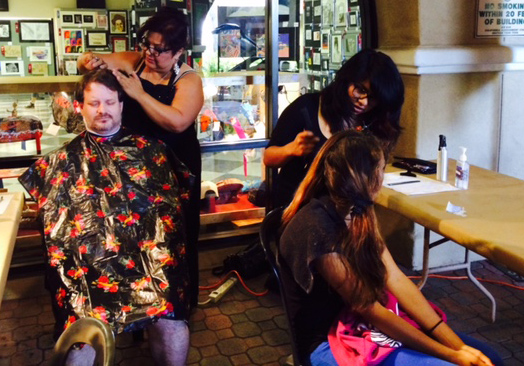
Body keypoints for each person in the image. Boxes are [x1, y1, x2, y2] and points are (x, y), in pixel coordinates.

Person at [278, 130, 503, 366]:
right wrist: (450, 354)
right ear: (364, 178)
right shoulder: (317, 229)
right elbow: (369, 308)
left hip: (361, 326)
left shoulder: (357, 211)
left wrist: (457, 345)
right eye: (381, 170)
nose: (383, 179)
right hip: (328, 342)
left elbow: (394, 277)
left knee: (491, 358)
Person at [18, 69, 193, 366]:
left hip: (149, 262)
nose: (103, 110)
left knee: (170, 313)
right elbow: (53, 232)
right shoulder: (58, 162)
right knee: (80, 323)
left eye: (110, 102)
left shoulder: (153, 152)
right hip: (88, 272)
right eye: (94, 103)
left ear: (121, 105)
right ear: (80, 107)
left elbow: (174, 214)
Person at [77, 6, 204, 306]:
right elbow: (86, 60)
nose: (150, 53)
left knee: (176, 236)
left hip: (175, 169)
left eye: (160, 50)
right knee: (135, 235)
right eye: (148, 44)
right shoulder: (135, 61)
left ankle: (179, 303)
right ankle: (139, 301)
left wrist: (138, 93)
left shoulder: (188, 80)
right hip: (134, 168)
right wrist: (88, 60)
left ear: (178, 53)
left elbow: (177, 121)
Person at [264, 48, 404, 208]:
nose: (364, 102)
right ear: (346, 80)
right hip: (297, 209)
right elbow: (268, 157)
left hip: (345, 213)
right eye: (361, 90)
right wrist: (291, 149)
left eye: (373, 98)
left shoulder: (374, 122)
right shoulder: (307, 108)